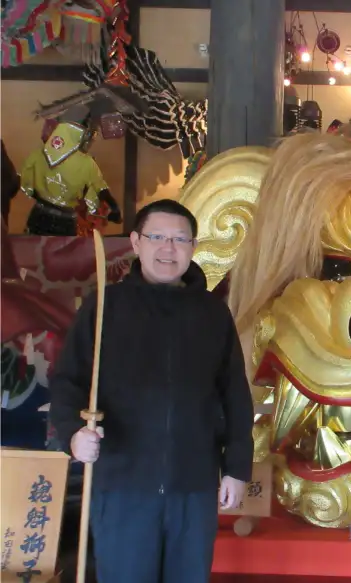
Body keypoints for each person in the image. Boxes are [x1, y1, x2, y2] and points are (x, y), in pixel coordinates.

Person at [49, 199, 254, 583]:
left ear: (194, 248)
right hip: (123, 484)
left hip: (193, 487)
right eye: (157, 237)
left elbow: (235, 395)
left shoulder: (212, 314)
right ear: (135, 242)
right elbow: (67, 381)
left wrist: (237, 467)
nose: (168, 248)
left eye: (180, 239)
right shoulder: (106, 306)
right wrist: (72, 435)